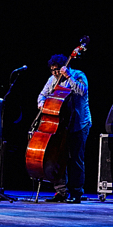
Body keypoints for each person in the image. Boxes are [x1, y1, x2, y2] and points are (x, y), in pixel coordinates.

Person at [38, 54, 91, 203]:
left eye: (56, 70)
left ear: (64, 67)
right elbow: (42, 95)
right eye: (52, 70)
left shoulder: (78, 75)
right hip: (61, 125)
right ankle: (61, 191)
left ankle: (76, 193)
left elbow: (82, 91)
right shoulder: (52, 80)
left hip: (79, 124)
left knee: (76, 159)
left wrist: (69, 77)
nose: (55, 73)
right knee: (58, 158)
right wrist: (41, 104)